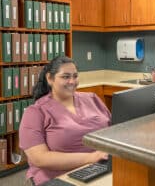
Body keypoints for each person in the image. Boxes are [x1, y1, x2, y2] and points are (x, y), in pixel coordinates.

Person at [19, 56, 111, 186]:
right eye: (66, 77)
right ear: (50, 78)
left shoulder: (92, 98)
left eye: (75, 76)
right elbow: (39, 158)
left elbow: (114, 129)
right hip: (60, 177)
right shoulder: (35, 112)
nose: (72, 81)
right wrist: (91, 158)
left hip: (100, 167)